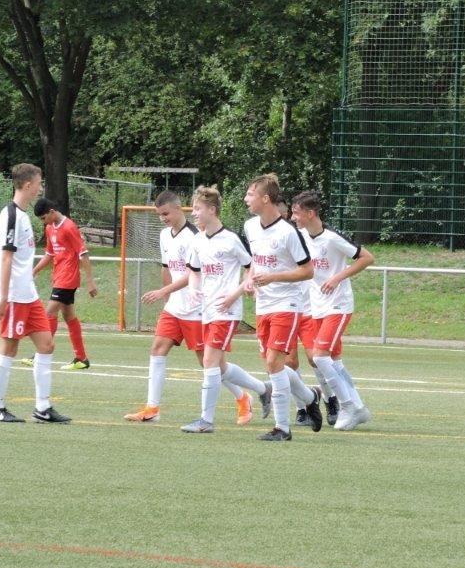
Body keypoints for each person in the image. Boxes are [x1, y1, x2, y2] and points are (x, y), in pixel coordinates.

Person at [125, 191, 266, 426]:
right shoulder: (164, 235)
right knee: (157, 349)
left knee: (210, 363)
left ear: (179, 208)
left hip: (198, 309)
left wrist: (166, 290)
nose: (163, 218)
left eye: (166, 214)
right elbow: (167, 268)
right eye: (159, 215)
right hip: (175, 307)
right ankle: (152, 408)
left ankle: (244, 396)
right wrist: (167, 296)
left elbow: (192, 273)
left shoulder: (196, 235)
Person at [179, 186, 273, 434]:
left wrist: (237, 292)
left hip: (227, 311)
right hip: (207, 310)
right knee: (219, 367)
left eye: (197, 208)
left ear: (212, 209)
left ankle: (206, 421)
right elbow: (194, 272)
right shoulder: (198, 240)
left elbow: (251, 267)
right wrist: (193, 289)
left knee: (209, 361)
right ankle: (263, 389)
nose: (194, 213)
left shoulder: (231, 239)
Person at [0, 163, 70, 424]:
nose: (40, 187)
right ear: (27, 185)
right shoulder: (10, 215)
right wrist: (3, 297)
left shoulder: (23, 216)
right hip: (14, 296)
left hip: (29, 295)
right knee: (9, 348)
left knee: (46, 345)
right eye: (39, 183)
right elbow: (7, 258)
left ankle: (43, 408)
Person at [242, 173, 323, 441]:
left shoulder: (288, 232)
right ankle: (310, 397)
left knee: (273, 363)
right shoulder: (250, 227)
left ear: (266, 199)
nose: (246, 199)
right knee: (273, 365)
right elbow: (255, 261)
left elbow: (308, 271)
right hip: (263, 304)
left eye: (250, 194)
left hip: (287, 304)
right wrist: (249, 279)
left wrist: (274, 277)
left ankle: (282, 428)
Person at [291, 191, 374, 430]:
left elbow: (367, 258)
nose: (293, 218)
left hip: (338, 305)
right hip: (317, 307)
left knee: (319, 356)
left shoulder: (331, 238)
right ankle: (359, 408)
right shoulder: (301, 237)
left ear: (310, 213)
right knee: (334, 361)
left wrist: (337, 277)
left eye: (297, 213)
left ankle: (348, 406)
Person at [278, 196, 338, 427]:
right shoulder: (271, 238)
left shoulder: (301, 236)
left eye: (288, 214)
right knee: (289, 362)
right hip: (285, 307)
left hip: (308, 309)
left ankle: (331, 399)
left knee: (316, 359)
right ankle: (302, 408)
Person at [30, 198, 98, 370]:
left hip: (68, 278)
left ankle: (40, 354)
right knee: (69, 317)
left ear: (52, 212)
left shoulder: (69, 227)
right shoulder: (49, 228)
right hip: (59, 277)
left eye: (44, 218)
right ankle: (81, 359)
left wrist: (90, 281)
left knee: (49, 313)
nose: (43, 222)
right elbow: (49, 254)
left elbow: (83, 254)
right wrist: (34, 270)